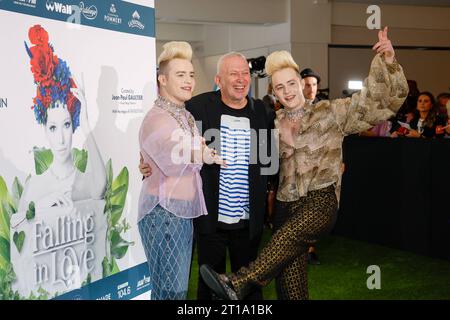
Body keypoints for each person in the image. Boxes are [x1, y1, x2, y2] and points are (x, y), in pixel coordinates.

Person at [200, 26, 408, 300]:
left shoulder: (331, 112)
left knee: (284, 241)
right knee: (290, 288)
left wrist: (389, 61)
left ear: (301, 83)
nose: (287, 91)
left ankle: (239, 282)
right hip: (285, 206)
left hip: (320, 199)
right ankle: (240, 284)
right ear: (273, 91)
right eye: (279, 87)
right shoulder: (271, 126)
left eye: (291, 83)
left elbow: (382, 104)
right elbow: (244, 157)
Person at [140, 51, 275, 300]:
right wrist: (146, 161)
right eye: (233, 74)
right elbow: (166, 137)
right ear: (218, 80)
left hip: (248, 220)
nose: (240, 79)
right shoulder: (197, 107)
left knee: (249, 288)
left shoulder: (262, 112)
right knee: (209, 289)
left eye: (244, 73)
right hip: (210, 218)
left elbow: (269, 161)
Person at [137, 41, 225, 300]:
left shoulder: (184, 115)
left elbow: (188, 150)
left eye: (191, 75)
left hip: (178, 214)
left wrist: (206, 153)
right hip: (164, 213)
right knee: (170, 292)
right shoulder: (157, 118)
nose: (188, 81)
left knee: (172, 292)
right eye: (180, 75)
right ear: (162, 80)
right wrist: (203, 154)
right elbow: (173, 155)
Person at [19, 24, 106, 213]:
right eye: (52, 128)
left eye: (66, 125)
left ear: (73, 125)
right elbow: (18, 232)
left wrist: (85, 124)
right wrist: (39, 207)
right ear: (44, 129)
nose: (60, 139)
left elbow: (100, 189)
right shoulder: (34, 186)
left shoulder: (84, 181)